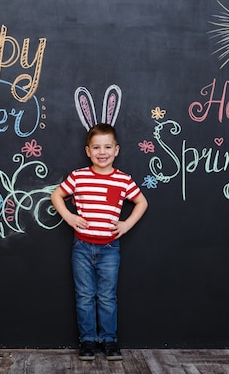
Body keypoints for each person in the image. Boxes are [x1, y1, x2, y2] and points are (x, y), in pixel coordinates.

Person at [50, 123, 148, 361]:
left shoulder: (123, 180)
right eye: (96, 147)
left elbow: (142, 202)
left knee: (106, 296)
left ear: (116, 150)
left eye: (107, 147)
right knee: (84, 296)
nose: (102, 152)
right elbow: (56, 195)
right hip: (81, 247)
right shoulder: (79, 176)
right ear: (88, 151)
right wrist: (70, 217)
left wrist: (126, 225)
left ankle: (109, 340)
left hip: (109, 249)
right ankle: (88, 341)